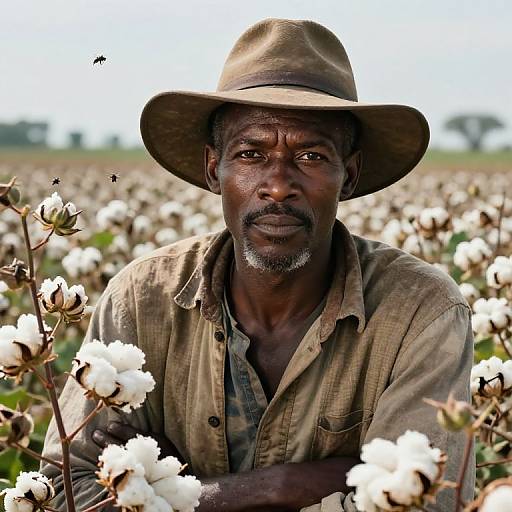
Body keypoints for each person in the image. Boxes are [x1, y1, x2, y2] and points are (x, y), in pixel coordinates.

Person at [42, 18, 474, 511]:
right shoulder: (140, 302)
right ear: (214, 170)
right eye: (251, 154)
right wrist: (282, 487)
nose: (277, 184)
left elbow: (427, 500)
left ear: (348, 176)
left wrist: (169, 491)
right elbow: (65, 493)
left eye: (310, 156)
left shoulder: (421, 312)